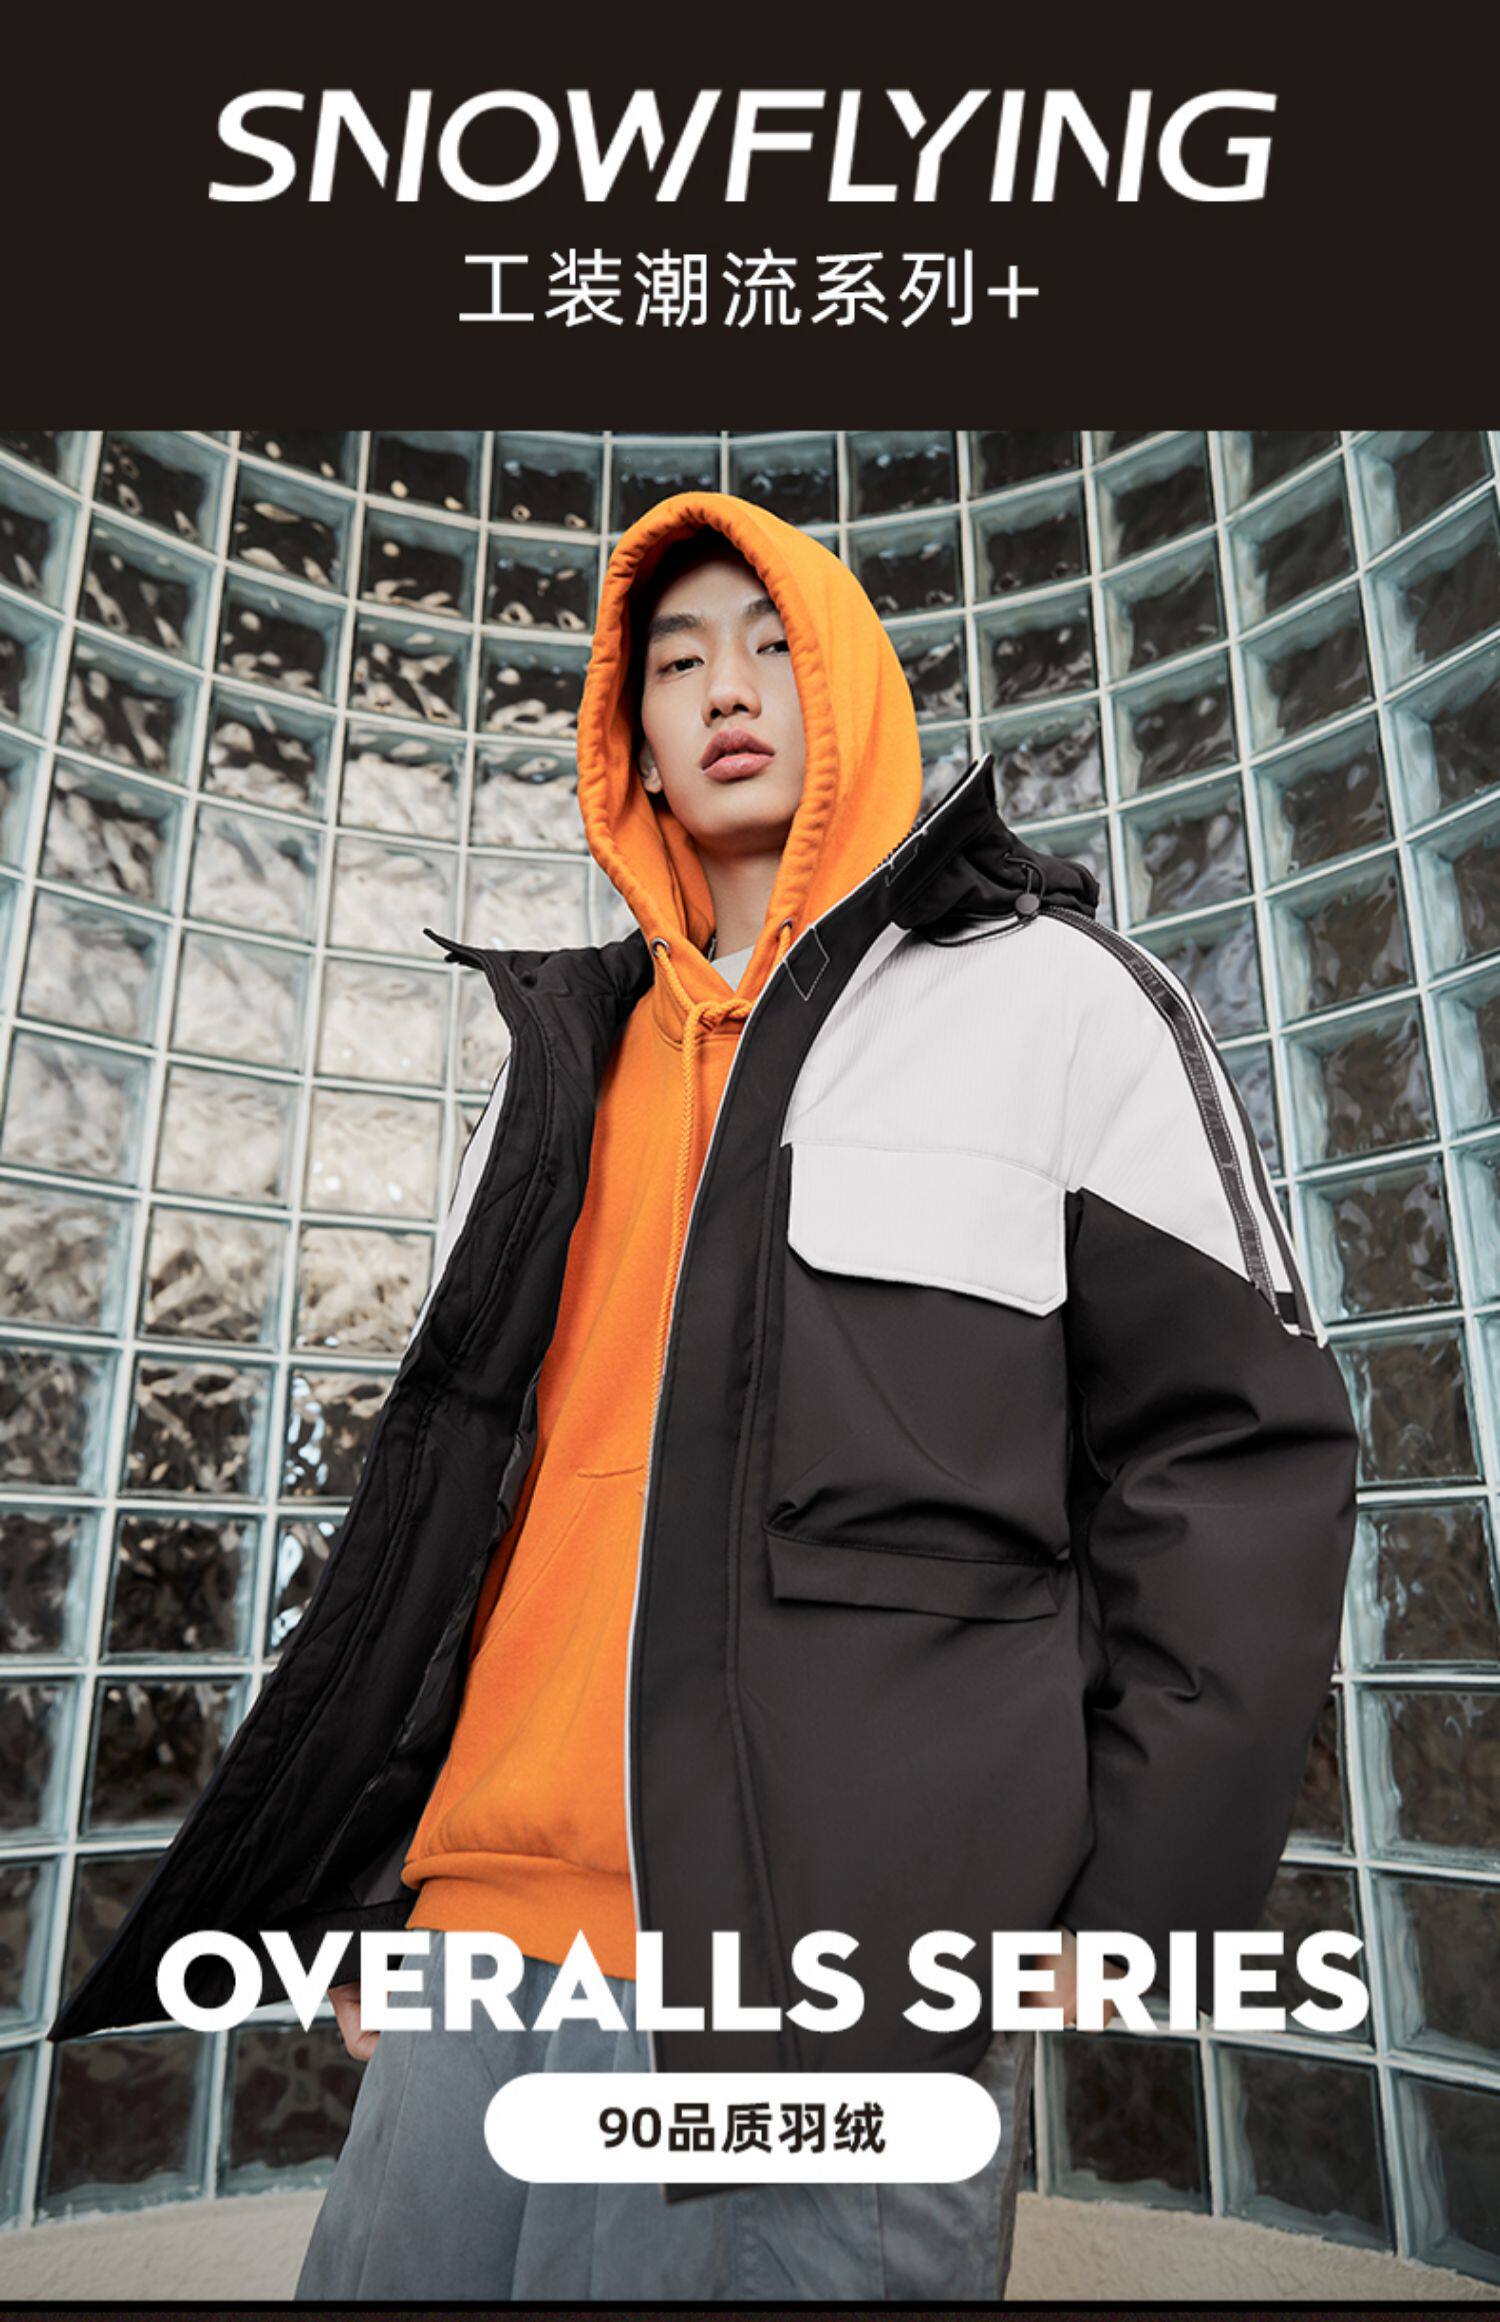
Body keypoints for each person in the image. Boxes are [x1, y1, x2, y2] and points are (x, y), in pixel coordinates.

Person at [48, 494, 1359, 2303]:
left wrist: (1143, 1896)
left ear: (853, 693)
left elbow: (1238, 1453)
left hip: (814, 1976)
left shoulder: (1061, 1006)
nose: (727, 689)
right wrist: (370, 1881)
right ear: (631, 739)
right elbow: (456, 1532)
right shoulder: (560, 1069)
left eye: (771, 647)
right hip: (481, 1943)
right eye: (675, 664)